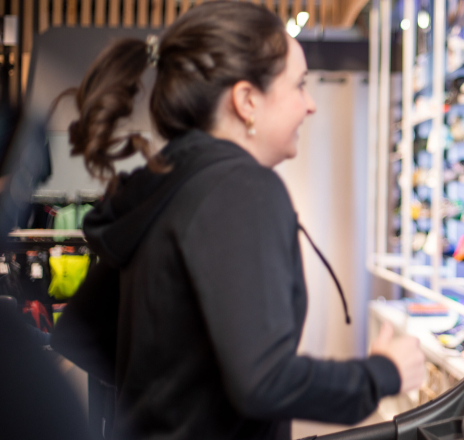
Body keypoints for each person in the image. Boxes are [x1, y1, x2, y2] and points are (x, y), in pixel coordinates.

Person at [50, 2, 425, 439]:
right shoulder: (242, 188)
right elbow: (265, 381)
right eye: (299, 86)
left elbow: (84, 333)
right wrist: (384, 373)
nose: (310, 106)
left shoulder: (161, 184)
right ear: (247, 100)